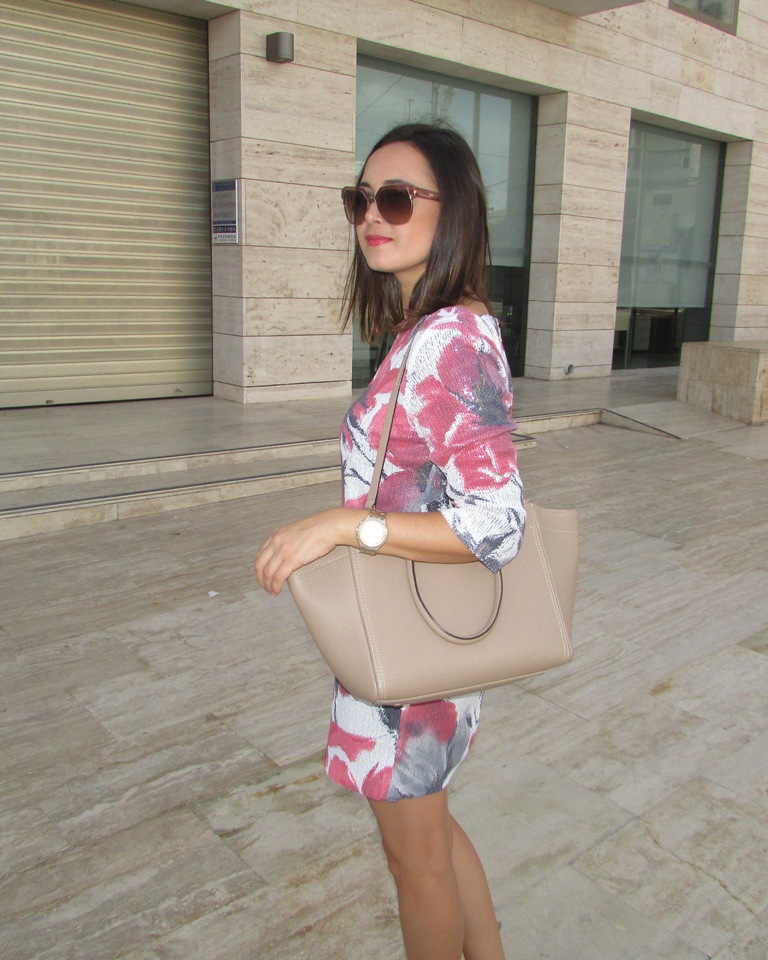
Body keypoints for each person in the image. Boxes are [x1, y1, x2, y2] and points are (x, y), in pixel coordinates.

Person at [255, 122, 525, 960]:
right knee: (431, 838)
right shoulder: (430, 328)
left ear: (453, 212)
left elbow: (496, 521)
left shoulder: (449, 340)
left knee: (417, 864)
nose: (373, 215)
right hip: (416, 636)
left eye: (398, 199)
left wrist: (345, 524)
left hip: (413, 658)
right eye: (361, 199)